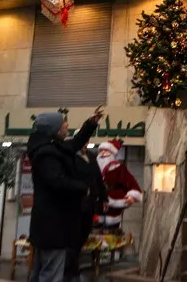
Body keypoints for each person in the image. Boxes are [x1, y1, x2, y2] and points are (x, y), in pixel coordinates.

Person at [27, 106, 103, 282]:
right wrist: (84, 188)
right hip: (53, 226)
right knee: (51, 274)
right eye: (63, 124)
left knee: (39, 272)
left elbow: (75, 143)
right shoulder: (46, 154)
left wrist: (91, 124)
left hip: (50, 226)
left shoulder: (52, 147)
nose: (67, 126)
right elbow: (58, 182)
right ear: (54, 129)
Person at [63, 140, 108, 281]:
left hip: (90, 203)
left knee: (84, 233)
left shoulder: (91, 156)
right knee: (73, 237)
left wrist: (104, 198)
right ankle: (70, 270)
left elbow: (98, 178)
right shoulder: (69, 157)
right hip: (75, 203)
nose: (84, 144)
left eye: (86, 142)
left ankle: (73, 263)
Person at [94, 139, 143, 228]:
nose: (102, 153)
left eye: (106, 150)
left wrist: (131, 196)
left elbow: (131, 183)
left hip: (114, 205)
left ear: (112, 153)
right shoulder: (92, 167)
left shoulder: (119, 168)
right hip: (96, 206)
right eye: (101, 150)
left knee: (113, 233)